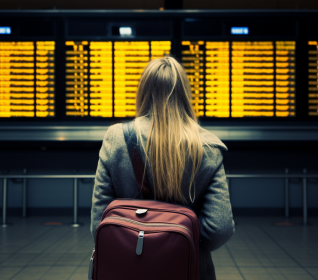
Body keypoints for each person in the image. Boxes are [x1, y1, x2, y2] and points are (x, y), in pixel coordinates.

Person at [90, 56, 235, 280]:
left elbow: (98, 224)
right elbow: (221, 228)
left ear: (143, 91)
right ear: (185, 94)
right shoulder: (207, 146)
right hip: (186, 271)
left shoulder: (116, 139)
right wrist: (178, 239)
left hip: (125, 270)